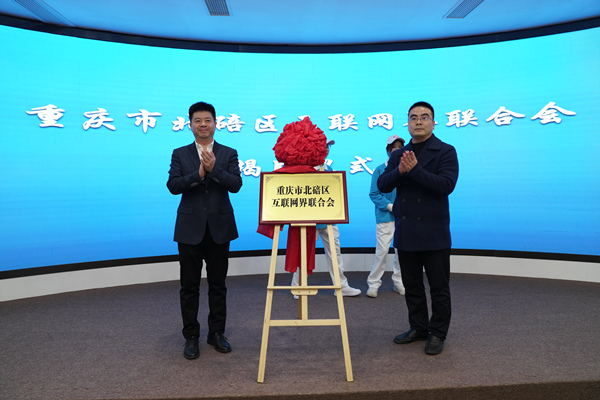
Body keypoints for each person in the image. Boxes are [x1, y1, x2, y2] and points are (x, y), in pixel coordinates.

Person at [377, 101, 459, 356]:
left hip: (434, 231)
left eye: (424, 117)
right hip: (407, 230)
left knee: (438, 288)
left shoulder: (446, 151)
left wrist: (415, 170)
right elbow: (383, 184)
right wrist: (400, 171)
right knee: (412, 286)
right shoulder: (398, 155)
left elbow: (445, 185)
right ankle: (418, 328)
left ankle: (438, 333)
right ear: (408, 123)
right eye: (414, 117)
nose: (419, 121)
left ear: (433, 122)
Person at [167, 101, 243, 360]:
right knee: (189, 286)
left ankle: (216, 333)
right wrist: (199, 174)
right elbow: (173, 186)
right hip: (189, 229)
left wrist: (214, 170)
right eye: (197, 120)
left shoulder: (228, 153)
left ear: (215, 124)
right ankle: (191, 336)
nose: (203, 124)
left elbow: (235, 184)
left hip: (220, 228)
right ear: (190, 125)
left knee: (218, 285)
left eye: (207, 120)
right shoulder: (180, 154)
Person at [291, 139, 361, 297]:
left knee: (335, 253)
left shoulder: (329, 168)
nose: (327, 149)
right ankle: (298, 287)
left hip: (329, 220)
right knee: (304, 254)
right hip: (310, 220)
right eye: (323, 146)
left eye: (328, 146)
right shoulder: (306, 168)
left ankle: (341, 286)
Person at [366, 134, 406, 298]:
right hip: (385, 217)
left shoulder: (407, 168)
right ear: (388, 150)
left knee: (402, 253)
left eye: (400, 147)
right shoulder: (379, 170)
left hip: (404, 218)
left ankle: (399, 282)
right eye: (394, 147)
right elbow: (374, 194)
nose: (397, 150)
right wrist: (390, 206)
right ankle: (373, 283)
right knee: (382, 252)